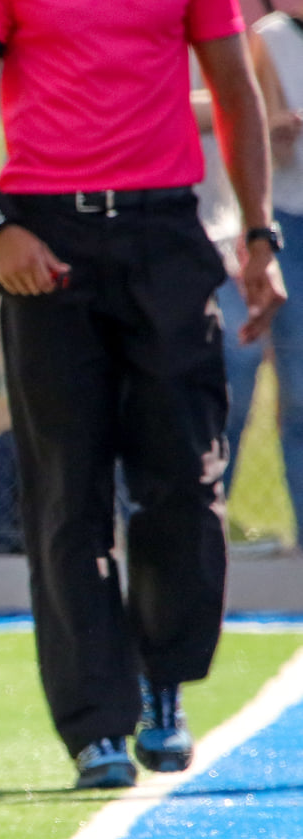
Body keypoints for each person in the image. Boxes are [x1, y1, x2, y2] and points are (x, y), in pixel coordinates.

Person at [0, 0, 287, 788]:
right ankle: (95, 725)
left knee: (185, 481)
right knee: (65, 495)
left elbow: (236, 90)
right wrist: (1, 232)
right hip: (44, 243)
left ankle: (164, 679)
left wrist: (260, 235)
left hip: (166, 234)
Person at [224, 3, 302, 540]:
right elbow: (252, 127)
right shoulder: (270, 38)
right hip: (285, 225)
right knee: (250, 372)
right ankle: (205, 527)